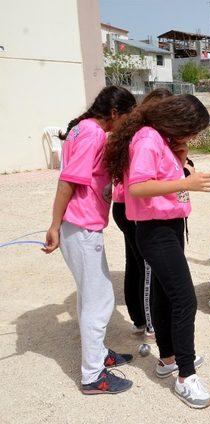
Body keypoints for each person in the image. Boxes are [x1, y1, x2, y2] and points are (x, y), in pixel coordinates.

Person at [104, 94, 210, 409]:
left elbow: (163, 176)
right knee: (185, 300)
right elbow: (138, 187)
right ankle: (186, 376)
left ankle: (169, 359)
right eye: (192, 131)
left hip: (169, 226)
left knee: (168, 297)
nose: (193, 137)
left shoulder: (160, 138)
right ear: (178, 121)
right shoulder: (147, 139)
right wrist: (188, 183)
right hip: (155, 232)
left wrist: (179, 158)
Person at [42, 86, 137, 394]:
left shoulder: (81, 128)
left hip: (80, 226)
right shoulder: (93, 134)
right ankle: (92, 376)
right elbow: (68, 180)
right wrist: (54, 225)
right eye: (127, 117)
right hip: (80, 227)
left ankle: (98, 354)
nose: (127, 123)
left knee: (89, 294)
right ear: (114, 113)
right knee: (100, 300)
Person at [112, 88, 175, 340]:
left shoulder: (136, 131)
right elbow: (140, 184)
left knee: (136, 264)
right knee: (147, 268)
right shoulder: (147, 137)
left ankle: (139, 318)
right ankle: (149, 323)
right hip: (131, 207)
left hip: (124, 205)